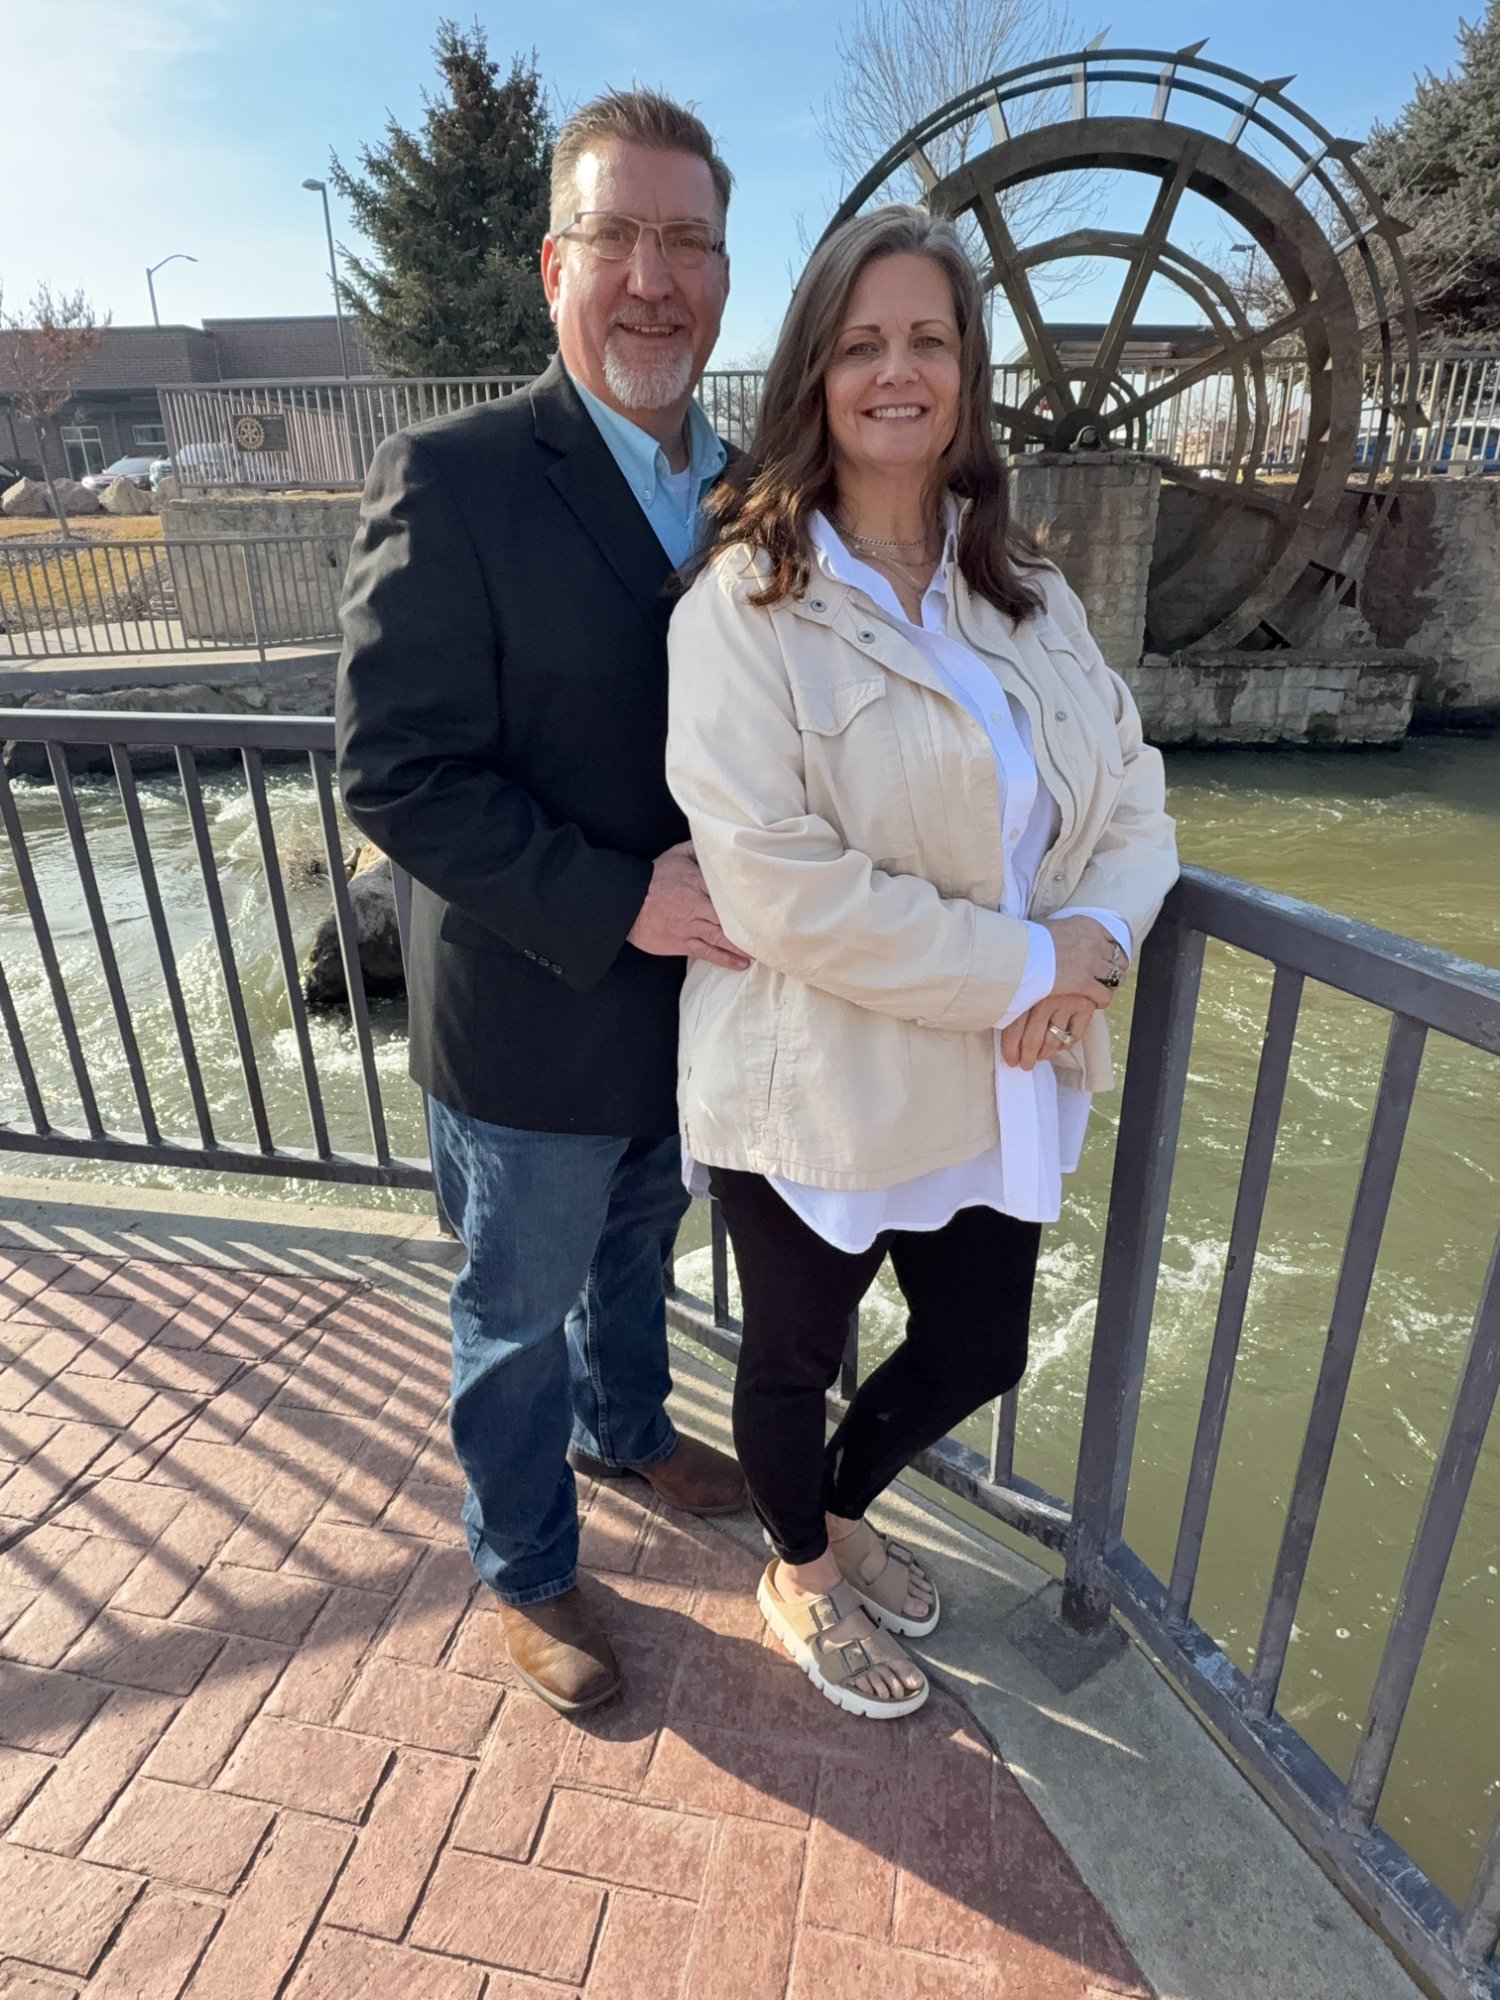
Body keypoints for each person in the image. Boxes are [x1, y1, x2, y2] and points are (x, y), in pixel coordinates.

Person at [666, 205, 1179, 1720]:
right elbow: (779, 891)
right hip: (820, 1069)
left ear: (967, 373)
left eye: (930, 341)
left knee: (978, 1341)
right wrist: (1031, 969)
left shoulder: (1029, 592)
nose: (899, 370)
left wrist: (1094, 941)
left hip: (1002, 1060)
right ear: (816, 372)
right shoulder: (743, 611)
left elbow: (1135, 801)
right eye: (864, 341)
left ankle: (827, 1512)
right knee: (791, 1356)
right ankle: (802, 1571)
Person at [336, 89, 748, 1718]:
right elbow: (395, 772)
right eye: (619, 236)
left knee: (640, 1246)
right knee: (512, 1307)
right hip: (529, 998)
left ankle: (630, 1428)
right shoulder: (453, 477)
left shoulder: (761, 489)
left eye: (689, 240)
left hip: (702, 1010)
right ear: (553, 263)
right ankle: (526, 1562)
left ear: (725, 270)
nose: (654, 277)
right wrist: (614, 897)